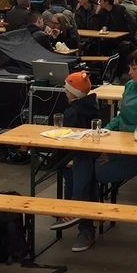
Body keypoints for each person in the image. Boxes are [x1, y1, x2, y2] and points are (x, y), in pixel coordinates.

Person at [67, 48, 137, 252]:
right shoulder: (130, 86)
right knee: (80, 163)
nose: (129, 72)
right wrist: (106, 130)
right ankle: (80, 217)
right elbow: (121, 118)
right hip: (120, 148)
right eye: (129, 67)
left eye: (134, 68)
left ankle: (80, 219)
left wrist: (114, 145)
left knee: (88, 171)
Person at [48, 71, 100, 231]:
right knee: (76, 167)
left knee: (68, 168)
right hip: (93, 151)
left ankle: (71, 207)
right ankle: (71, 208)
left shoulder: (71, 112)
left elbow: (66, 139)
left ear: (73, 93)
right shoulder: (95, 106)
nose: (64, 92)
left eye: (67, 89)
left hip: (77, 153)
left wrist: (53, 159)